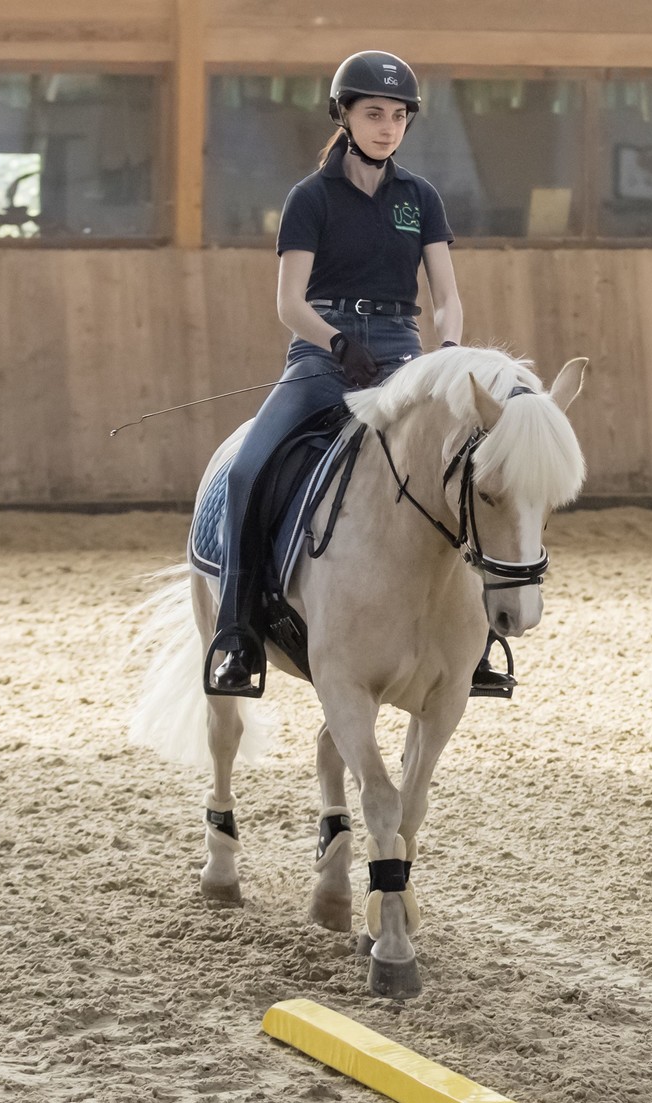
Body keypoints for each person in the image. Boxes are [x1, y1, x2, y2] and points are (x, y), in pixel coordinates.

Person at [203, 50, 506, 699]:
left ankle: (478, 638)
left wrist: (446, 350)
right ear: (344, 114)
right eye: (374, 113)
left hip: (401, 352)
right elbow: (289, 301)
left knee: (468, 466)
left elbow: (447, 294)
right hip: (321, 356)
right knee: (247, 468)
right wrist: (335, 340)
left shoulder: (419, 198)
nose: (388, 126)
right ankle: (237, 634)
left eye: (398, 116)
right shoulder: (310, 198)